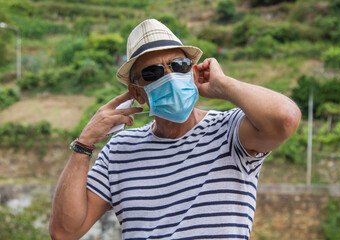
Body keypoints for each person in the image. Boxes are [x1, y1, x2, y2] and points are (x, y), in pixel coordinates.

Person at [49, 19, 301, 240]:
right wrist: (84, 144)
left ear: (193, 73)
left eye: (179, 65)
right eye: (153, 72)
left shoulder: (230, 131)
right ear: (138, 93)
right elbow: (64, 232)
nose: (169, 76)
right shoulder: (118, 151)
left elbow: (285, 119)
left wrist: (224, 86)